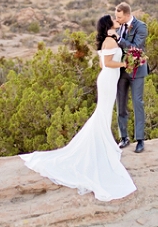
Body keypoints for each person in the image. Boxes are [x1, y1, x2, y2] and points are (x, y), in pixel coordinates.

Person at [19, 15, 136, 202]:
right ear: (108, 25)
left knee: (105, 113)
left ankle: (103, 144)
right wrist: (125, 64)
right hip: (107, 79)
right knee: (102, 113)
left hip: (108, 78)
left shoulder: (110, 40)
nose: (116, 20)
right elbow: (106, 64)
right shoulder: (109, 41)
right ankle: (100, 147)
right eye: (113, 19)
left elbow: (101, 63)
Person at [112, 2, 149, 153]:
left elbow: (136, 48)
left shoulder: (141, 27)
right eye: (116, 16)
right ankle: (124, 137)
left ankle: (140, 139)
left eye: (119, 17)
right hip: (121, 72)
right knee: (120, 105)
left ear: (127, 15)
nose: (117, 19)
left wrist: (119, 40)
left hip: (137, 71)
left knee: (137, 103)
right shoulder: (119, 27)